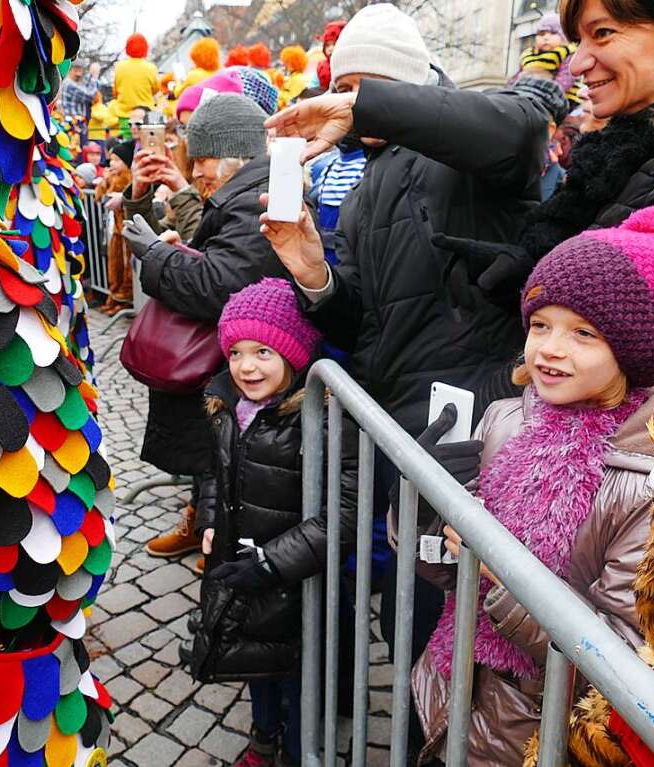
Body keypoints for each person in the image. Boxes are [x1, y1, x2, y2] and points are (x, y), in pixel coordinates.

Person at [259, 1, 550, 667]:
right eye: (341, 87)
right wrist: (312, 272)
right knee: (410, 614)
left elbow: (522, 130)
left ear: (401, 90)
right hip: (400, 430)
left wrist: (371, 107)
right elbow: (356, 312)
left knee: (455, 620)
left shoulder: (470, 145)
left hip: (469, 424)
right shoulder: (367, 182)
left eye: (359, 90)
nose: (344, 106)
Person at [409, 207, 654, 766]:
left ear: (633, 351)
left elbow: (622, 666)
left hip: (538, 735)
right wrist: (427, 505)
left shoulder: (648, 483)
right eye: (539, 324)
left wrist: (502, 576)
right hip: (453, 686)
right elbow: (438, 571)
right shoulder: (505, 417)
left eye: (583, 333)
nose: (549, 348)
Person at [187, 278, 353, 767]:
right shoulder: (225, 407)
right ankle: (263, 738)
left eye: (262, 351)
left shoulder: (320, 419)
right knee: (255, 661)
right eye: (236, 352)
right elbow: (213, 472)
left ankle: (303, 749)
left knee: (300, 670)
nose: (246, 366)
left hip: (297, 578)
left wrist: (273, 563)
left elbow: (342, 513)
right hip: (243, 565)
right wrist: (209, 521)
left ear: (294, 353)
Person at [121, 93, 282, 566]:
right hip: (228, 358)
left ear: (232, 153)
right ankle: (208, 526)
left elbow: (221, 283)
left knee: (229, 461)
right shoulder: (244, 193)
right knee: (216, 458)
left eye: (203, 160)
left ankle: (220, 540)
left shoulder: (255, 199)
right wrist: (175, 249)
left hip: (245, 363)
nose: (196, 174)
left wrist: (158, 254)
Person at [433, 0, 654, 313]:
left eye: (603, 33)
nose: (576, 64)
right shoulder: (609, 157)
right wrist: (526, 270)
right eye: (578, 42)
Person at [95, 142, 134, 314]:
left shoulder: (129, 177)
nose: (112, 164)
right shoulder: (112, 176)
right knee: (114, 264)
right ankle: (114, 296)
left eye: (117, 160)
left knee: (126, 266)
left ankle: (125, 299)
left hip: (126, 227)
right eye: (111, 160)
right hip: (115, 229)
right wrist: (105, 179)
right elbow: (98, 195)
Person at [509, 13, 579, 99]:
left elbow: (566, 78)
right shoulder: (528, 54)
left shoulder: (565, 52)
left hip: (557, 97)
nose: (546, 38)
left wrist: (551, 93)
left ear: (563, 36)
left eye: (553, 33)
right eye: (541, 34)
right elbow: (517, 75)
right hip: (526, 93)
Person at [114, 33, 159, 119]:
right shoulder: (151, 68)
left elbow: (115, 91)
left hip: (124, 115)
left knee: (126, 133)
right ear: (145, 48)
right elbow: (156, 89)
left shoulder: (119, 67)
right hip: (145, 114)